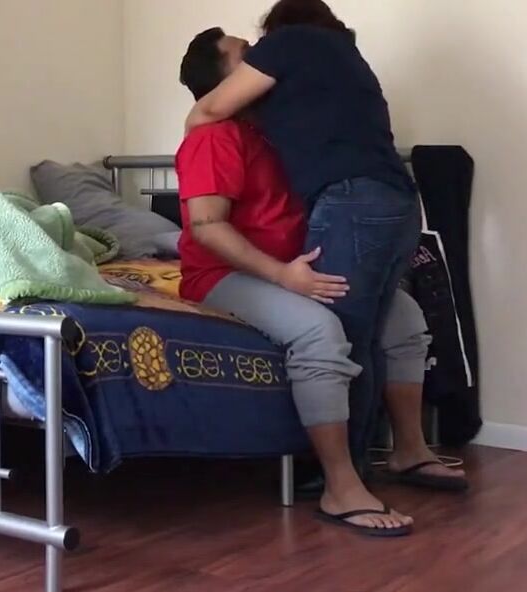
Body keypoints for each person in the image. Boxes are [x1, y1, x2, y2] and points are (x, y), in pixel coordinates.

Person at [184, 0, 431, 490]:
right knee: (324, 330)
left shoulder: (282, 129)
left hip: (292, 266)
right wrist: (283, 275)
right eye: (244, 53)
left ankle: (410, 450)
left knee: (404, 318)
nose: (259, 51)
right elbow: (206, 227)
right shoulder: (213, 137)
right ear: (223, 82)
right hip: (224, 276)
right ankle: (339, 479)